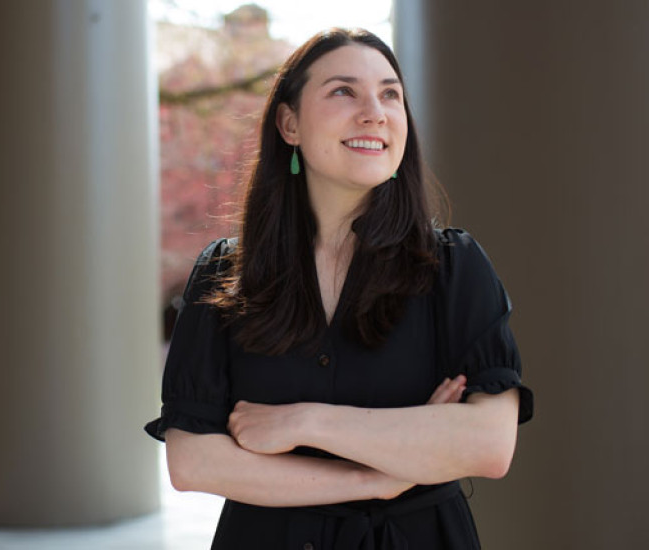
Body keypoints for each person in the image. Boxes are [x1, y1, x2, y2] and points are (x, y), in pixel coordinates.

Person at [145, 27, 533, 550]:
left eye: (390, 93)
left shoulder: (454, 268)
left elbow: (488, 445)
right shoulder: (224, 274)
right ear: (289, 123)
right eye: (343, 91)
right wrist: (378, 474)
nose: (375, 111)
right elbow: (193, 461)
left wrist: (306, 423)